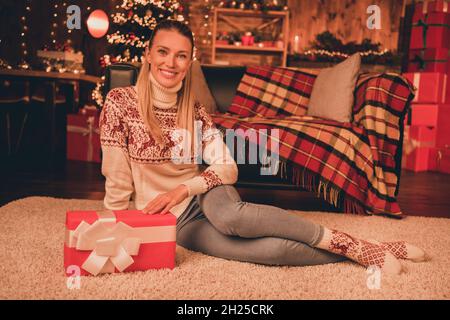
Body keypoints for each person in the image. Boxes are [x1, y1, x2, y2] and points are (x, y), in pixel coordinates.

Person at [99, 20, 427, 275]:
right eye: (163, 51)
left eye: (181, 55)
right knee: (270, 253)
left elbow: (227, 168)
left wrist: (183, 190)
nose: (171, 62)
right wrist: (117, 234)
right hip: (174, 223)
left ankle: (346, 241)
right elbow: (116, 182)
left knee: (231, 217)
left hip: (203, 196)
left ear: (189, 62)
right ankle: (365, 249)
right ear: (148, 55)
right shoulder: (120, 103)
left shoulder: (194, 109)